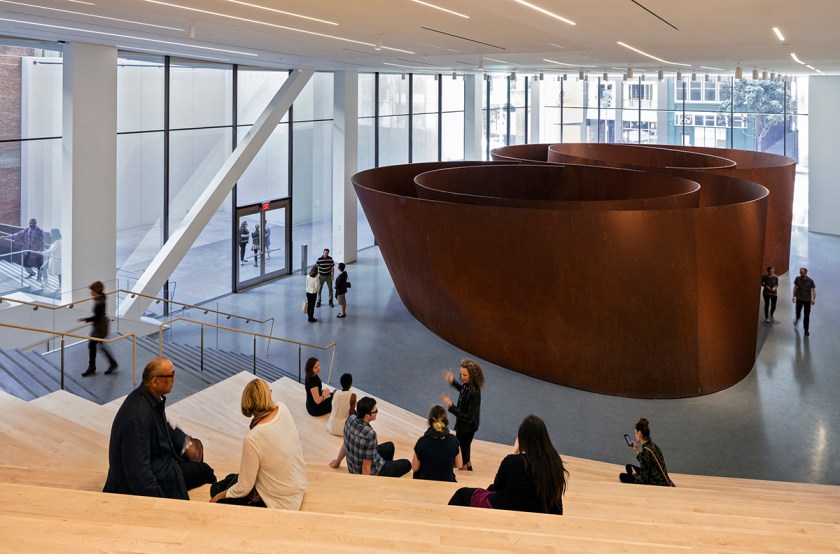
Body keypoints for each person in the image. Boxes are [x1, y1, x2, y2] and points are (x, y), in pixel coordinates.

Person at [103, 357, 216, 499]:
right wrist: (161, 502)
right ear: (155, 381)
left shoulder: (147, 399)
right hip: (137, 484)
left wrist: (186, 444)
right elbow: (138, 473)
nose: (174, 379)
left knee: (198, 460)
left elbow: (165, 428)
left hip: (159, 466)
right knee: (205, 471)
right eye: (171, 375)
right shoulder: (138, 416)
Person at [210, 379, 306, 509]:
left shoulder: (253, 438)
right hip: (296, 485)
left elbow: (244, 488)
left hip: (280, 502)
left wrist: (218, 497)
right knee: (229, 480)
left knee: (216, 491)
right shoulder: (283, 408)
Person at [448, 415, 568, 514]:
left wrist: (514, 452)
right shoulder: (555, 464)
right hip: (541, 512)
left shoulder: (512, 461)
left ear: (522, 439)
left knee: (462, 494)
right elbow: (557, 504)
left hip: (507, 507)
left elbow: (497, 487)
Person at [341, 396, 410, 477]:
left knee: (389, 446)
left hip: (353, 468)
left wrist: (337, 462)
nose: (377, 412)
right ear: (367, 416)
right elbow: (366, 468)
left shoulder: (350, 419)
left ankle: (387, 472)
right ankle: (382, 476)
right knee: (407, 464)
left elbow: (345, 444)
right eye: (375, 411)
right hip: (368, 472)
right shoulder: (370, 434)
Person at [442, 358, 484, 470]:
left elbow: (468, 417)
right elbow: (463, 390)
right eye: (461, 374)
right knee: (465, 449)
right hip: (465, 426)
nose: (462, 377)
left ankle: (464, 468)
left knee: (462, 448)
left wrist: (451, 406)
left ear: (473, 375)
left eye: (465, 375)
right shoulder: (468, 384)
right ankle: (467, 466)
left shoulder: (475, 393)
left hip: (467, 427)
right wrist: (453, 381)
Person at [619, 417, 674, 486]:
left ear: (639, 433)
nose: (635, 435)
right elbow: (646, 462)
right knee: (629, 466)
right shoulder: (652, 445)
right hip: (660, 478)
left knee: (621, 476)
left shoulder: (646, 451)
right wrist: (637, 450)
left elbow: (644, 479)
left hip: (657, 482)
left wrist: (634, 477)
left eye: (635, 433)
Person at [413, 405, 461, 482]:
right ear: (445, 421)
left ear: (430, 421)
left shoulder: (422, 441)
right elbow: (459, 465)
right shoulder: (453, 440)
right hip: (447, 483)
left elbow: (415, 468)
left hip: (424, 484)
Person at [79, 281, 118, 376]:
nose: (90, 293)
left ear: (96, 291)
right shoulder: (101, 297)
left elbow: (96, 317)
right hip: (99, 326)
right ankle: (107, 364)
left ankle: (96, 366)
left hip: (100, 328)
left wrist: (85, 319)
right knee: (95, 345)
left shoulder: (100, 303)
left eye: (92, 291)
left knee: (95, 345)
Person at [11, 218, 44, 282]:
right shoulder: (27, 229)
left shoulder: (40, 231)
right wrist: (8, 236)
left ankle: (39, 277)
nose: (31, 225)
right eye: (30, 224)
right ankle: (31, 273)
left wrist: (41, 251)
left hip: (37, 250)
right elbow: (18, 234)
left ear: (35, 224)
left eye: (33, 224)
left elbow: (42, 241)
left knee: (39, 264)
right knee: (23, 262)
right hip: (28, 249)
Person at [792, 267, 816, 336]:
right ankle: (797, 318)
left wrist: (814, 299)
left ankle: (806, 329)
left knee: (806, 316)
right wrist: (793, 296)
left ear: (806, 273)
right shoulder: (797, 279)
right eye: (800, 273)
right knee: (798, 312)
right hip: (799, 299)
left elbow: (813, 290)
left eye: (802, 273)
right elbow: (795, 288)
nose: (800, 274)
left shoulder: (810, 281)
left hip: (807, 301)